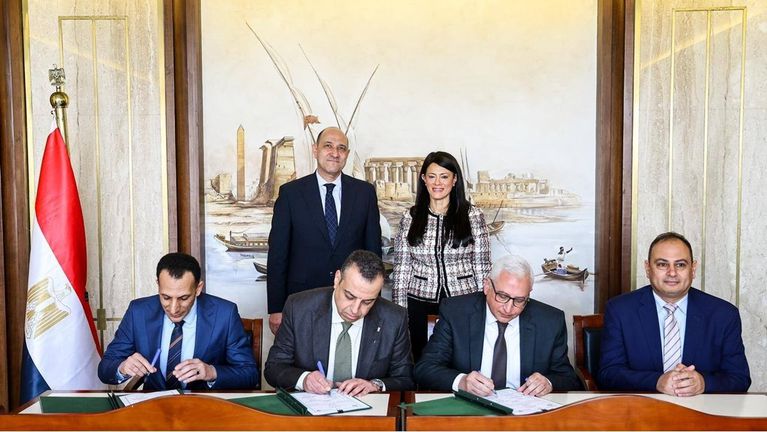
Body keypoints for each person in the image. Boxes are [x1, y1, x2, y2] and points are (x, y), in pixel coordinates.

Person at [598, 232, 750, 396]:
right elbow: (608, 374)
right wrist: (656, 381)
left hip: (703, 409)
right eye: (662, 264)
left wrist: (704, 383)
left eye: (680, 265)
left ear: (693, 269)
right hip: (641, 408)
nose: (672, 272)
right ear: (648, 269)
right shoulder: (620, 310)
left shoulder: (723, 315)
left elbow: (739, 378)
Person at [267, 127, 382, 335]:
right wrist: (276, 308)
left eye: (341, 148)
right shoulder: (291, 193)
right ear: (315, 150)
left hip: (353, 301)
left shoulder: (364, 193)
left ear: (347, 154)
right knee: (304, 355)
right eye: (328, 146)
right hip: (302, 298)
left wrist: (373, 302)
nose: (335, 153)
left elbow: (373, 253)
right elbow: (278, 254)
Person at [414, 255, 581, 396]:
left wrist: (548, 383)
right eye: (502, 296)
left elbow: (568, 378)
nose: (508, 309)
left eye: (519, 300)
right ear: (487, 286)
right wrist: (462, 382)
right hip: (469, 411)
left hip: (526, 414)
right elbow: (424, 369)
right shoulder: (456, 312)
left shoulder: (550, 321)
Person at [98, 253, 258, 390]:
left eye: (183, 298)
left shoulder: (225, 314)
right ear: (158, 285)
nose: (174, 308)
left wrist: (211, 372)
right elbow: (105, 368)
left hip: (205, 407)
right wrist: (122, 367)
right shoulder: (138, 312)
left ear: (198, 288)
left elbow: (249, 374)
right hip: (153, 408)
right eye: (166, 297)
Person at [264, 250, 414, 396]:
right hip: (309, 408)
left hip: (369, 408)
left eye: (367, 302)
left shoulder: (394, 318)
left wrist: (375, 385)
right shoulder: (299, 308)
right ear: (337, 279)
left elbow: (406, 379)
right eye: (349, 296)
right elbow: (274, 367)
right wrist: (304, 379)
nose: (355, 310)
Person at [390, 151, 491, 361]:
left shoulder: (473, 215)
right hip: (419, 302)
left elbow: (482, 266)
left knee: (461, 359)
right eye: (432, 176)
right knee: (422, 359)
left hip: (463, 300)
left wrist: (484, 308)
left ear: (454, 180)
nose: (437, 183)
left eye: (444, 176)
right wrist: (400, 314)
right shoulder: (410, 217)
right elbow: (401, 269)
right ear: (423, 179)